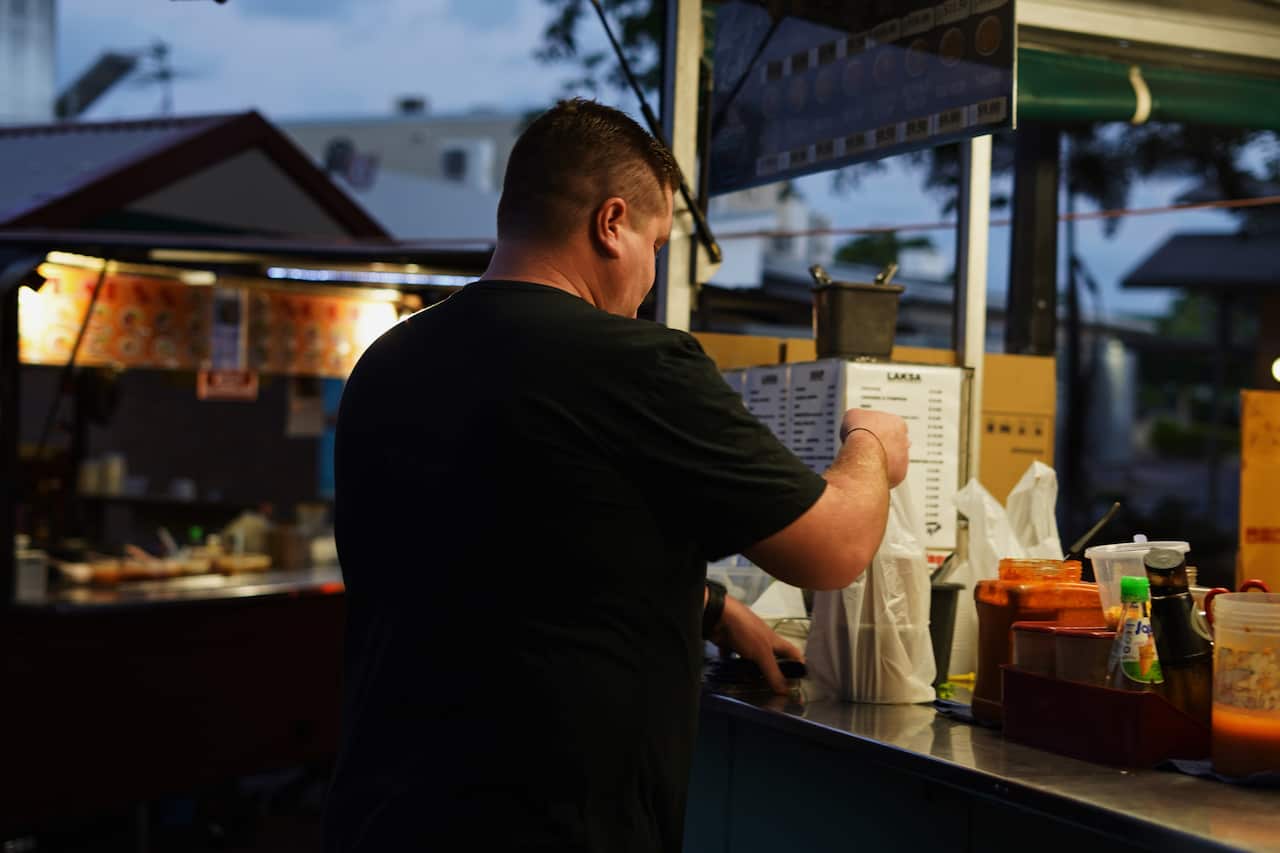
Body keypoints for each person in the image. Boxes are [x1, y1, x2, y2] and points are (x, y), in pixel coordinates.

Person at [324, 98, 909, 852]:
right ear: (611, 222)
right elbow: (831, 547)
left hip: (384, 814)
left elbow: (505, 543)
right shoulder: (633, 363)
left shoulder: (389, 361)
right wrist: (870, 442)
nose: (651, 272)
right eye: (657, 241)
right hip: (552, 825)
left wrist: (707, 606)